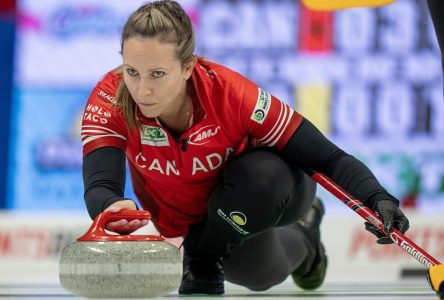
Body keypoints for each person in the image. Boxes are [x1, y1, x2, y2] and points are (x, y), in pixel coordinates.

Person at [81, 0, 410, 295]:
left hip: (266, 192)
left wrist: (377, 197)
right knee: (257, 275)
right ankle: (307, 240)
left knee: (262, 177)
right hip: (202, 219)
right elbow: (101, 186)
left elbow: (328, 157)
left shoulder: (232, 94)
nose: (143, 90)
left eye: (157, 74)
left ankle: (204, 255)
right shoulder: (111, 98)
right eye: (132, 72)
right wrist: (112, 206)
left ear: (187, 67)